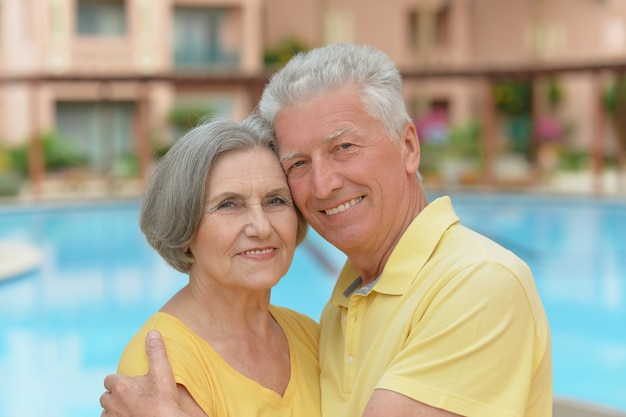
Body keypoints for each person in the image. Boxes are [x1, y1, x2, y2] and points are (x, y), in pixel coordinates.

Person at [101, 43, 552, 417]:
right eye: (298, 164)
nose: (323, 184)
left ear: (409, 147)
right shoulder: (335, 316)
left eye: (344, 147)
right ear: (185, 228)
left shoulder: (478, 283)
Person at [108, 115, 321, 417]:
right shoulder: (158, 366)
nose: (261, 227)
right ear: (184, 230)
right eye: (228, 204)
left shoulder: (310, 336)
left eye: (275, 200)